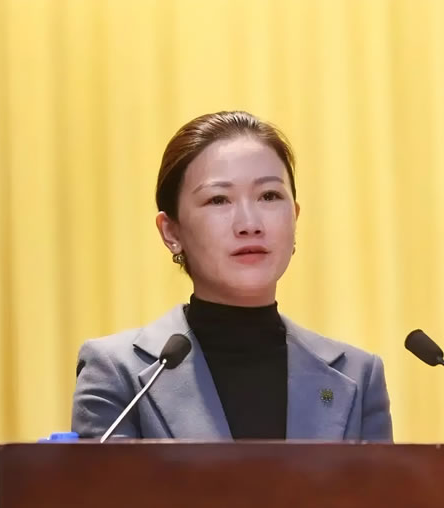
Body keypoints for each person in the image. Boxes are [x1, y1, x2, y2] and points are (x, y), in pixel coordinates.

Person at [71, 111, 392, 441]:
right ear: (171, 232)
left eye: (269, 196)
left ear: (295, 217)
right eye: (218, 200)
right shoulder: (118, 373)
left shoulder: (358, 376)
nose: (249, 224)